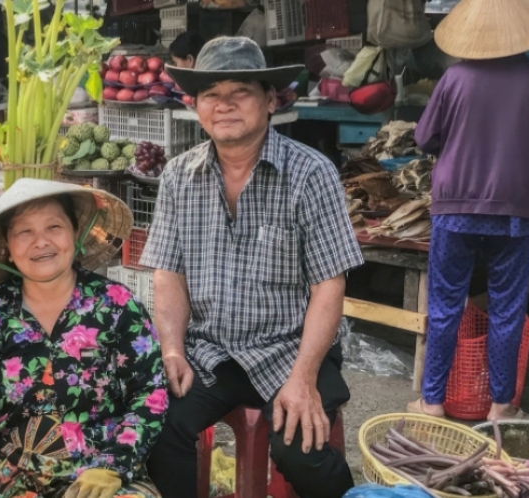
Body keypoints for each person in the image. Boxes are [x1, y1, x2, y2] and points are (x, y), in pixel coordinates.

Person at [140, 37, 362, 498]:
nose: (224, 106)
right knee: (155, 427)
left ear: (269, 100)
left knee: (304, 450)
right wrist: (173, 350)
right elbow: (168, 275)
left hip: (291, 349)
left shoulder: (310, 173)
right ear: (196, 106)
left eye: (239, 92)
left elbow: (328, 285)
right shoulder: (179, 176)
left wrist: (303, 378)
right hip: (212, 351)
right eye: (211, 95)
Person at [0, 179, 167, 498]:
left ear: (75, 234)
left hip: (91, 472)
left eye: (54, 226)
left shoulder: (117, 304)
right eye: (24, 232)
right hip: (4, 465)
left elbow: (150, 393)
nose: (41, 241)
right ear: (8, 249)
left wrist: (113, 465)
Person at [407, 0, 529, 421]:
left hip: (455, 205)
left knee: (445, 305)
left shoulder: (453, 78)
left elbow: (424, 139)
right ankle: (501, 406)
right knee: (507, 306)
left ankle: (432, 403)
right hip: (517, 207)